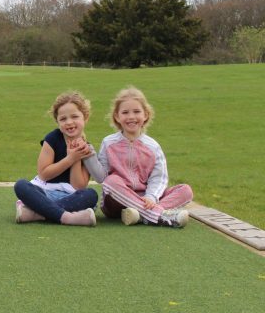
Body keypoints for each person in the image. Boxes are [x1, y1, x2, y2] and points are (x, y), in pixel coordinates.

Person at [84, 87, 193, 228]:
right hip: (116, 202)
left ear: (145, 115)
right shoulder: (108, 143)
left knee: (185, 190)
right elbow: (101, 178)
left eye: (136, 112)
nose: (131, 117)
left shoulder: (153, 146)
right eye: (125, 112)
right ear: (117, 116)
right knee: (111, 181)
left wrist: (151, 196)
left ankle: (140, 215)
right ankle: (157, 215)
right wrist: (89, 155)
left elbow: (159, 177)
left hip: (146, 199)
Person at [13, 91, 99, 226]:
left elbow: (78, 186)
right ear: (57, 121)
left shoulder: (87, 149)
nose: (69, 122)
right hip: (44, 192)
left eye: (75, 116)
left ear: (85, 117)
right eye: (63, 119)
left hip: (70, 197)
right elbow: (44, 174)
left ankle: (37, 213)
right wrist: (69, 159)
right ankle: (67, 218)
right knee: (21, 185)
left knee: (91, 195)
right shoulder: (52, 139)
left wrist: (76, 158)